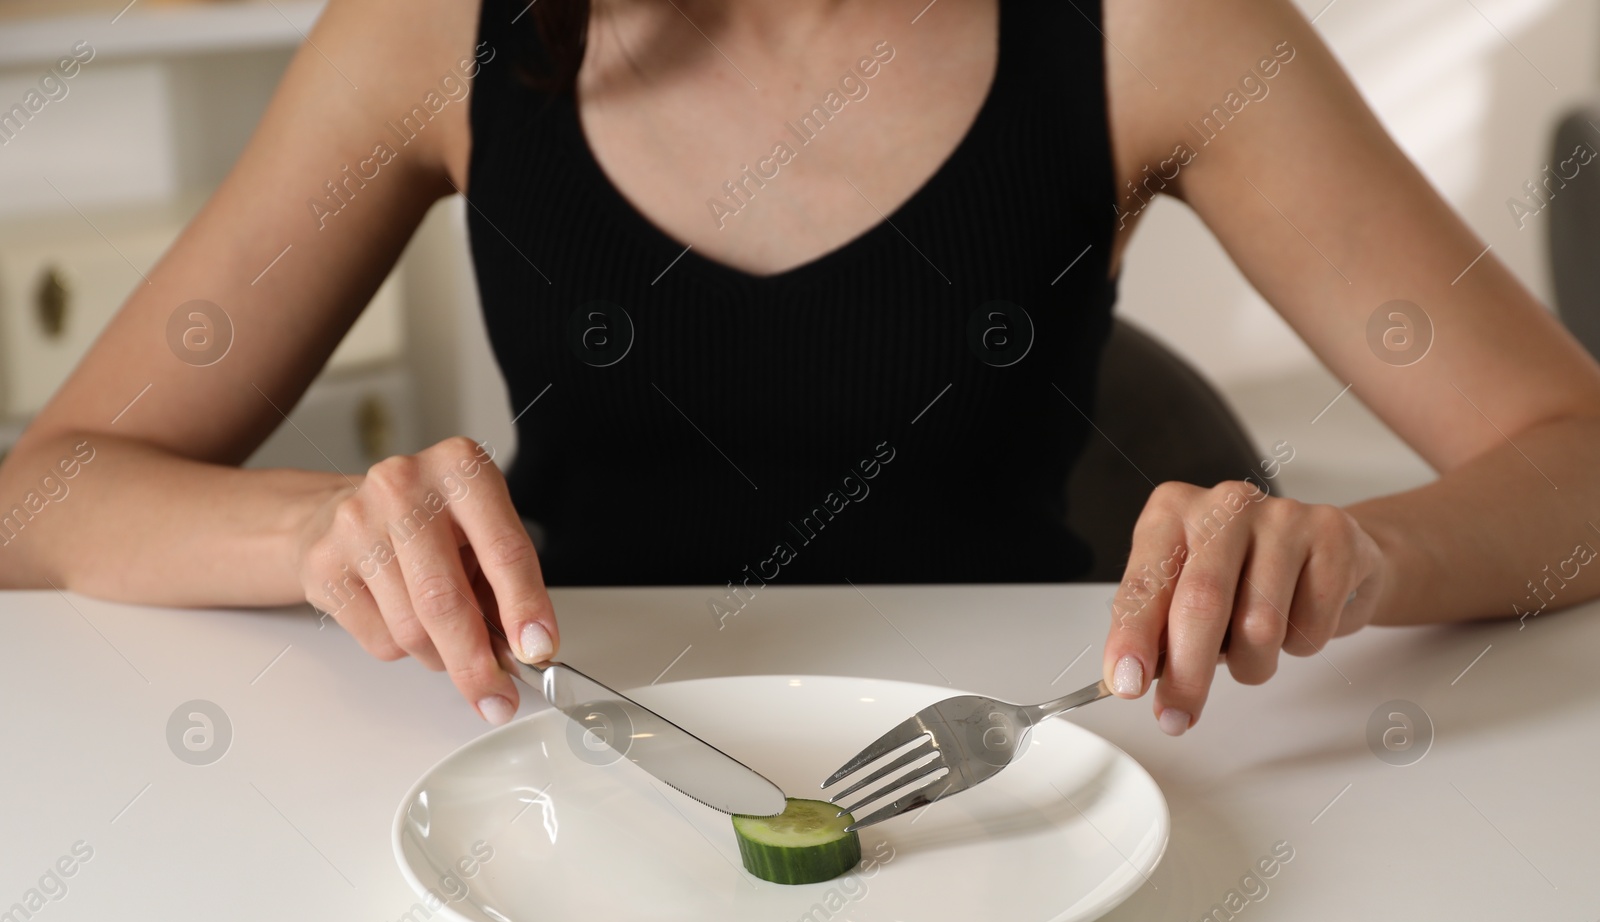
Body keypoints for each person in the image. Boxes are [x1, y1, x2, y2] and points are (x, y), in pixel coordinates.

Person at [2, 0, 1598, 738]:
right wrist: (314, 532)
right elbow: (44, 494)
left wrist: (1360, 545)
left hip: (1038, 786)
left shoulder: (1157, 27)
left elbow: (1574, 454)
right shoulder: (428, 34)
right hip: (581, 778)